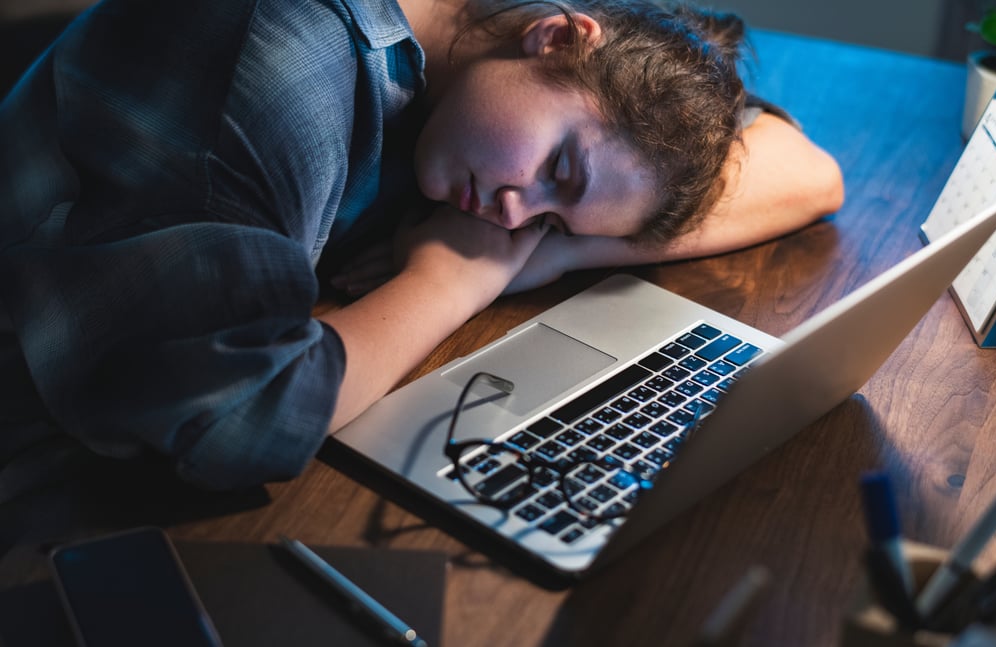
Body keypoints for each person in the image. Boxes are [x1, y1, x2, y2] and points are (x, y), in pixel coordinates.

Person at [0, 0, 843, 496]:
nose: (511, 214)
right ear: (556, 38)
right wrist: (457, 278)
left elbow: (809, 173)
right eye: (557, 169)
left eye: (548, 216)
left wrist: (557, 254)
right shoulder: (274, 74)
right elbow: (235, 414)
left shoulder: (493, 47)